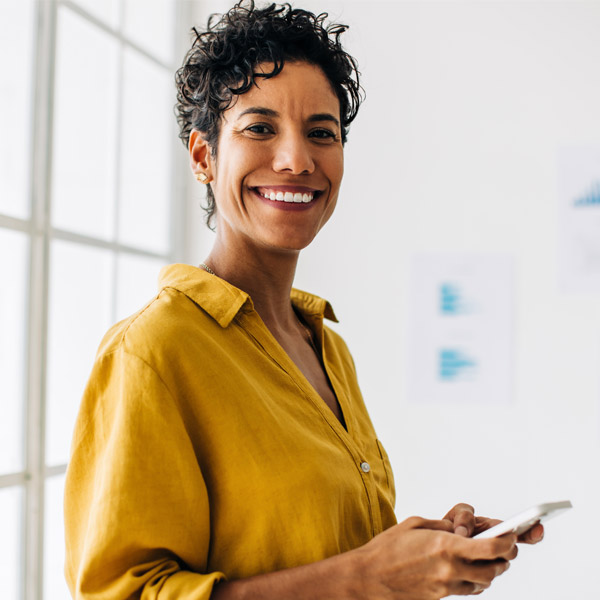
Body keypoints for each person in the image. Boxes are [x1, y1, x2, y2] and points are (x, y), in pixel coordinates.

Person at [63, 2, 543, 598]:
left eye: (322, 133)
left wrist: (421, 557)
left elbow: (313, 554)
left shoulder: (325, 345)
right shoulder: (153, 353)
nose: (297, 160)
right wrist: (365, 577)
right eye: (259, 128)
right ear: (203, 157)